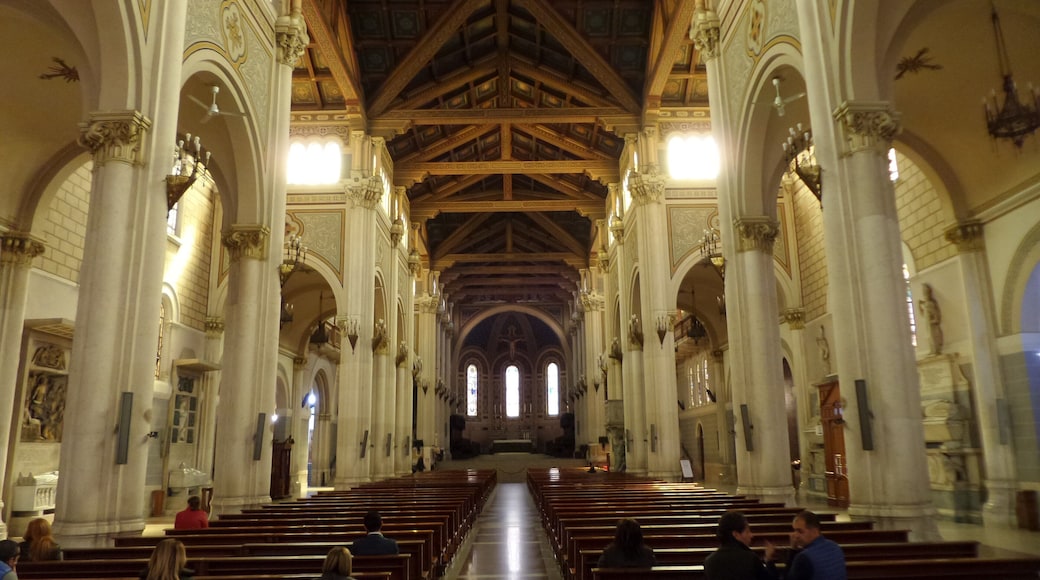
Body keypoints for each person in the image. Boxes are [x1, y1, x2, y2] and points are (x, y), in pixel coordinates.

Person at [704, 511, 777, 580]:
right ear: (735, 534)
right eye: (747, 531)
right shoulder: (750, 559)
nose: (751, 535)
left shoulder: (709, 561)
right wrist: (769, 560)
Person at [786, 510, 846, 580]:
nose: (795, 535)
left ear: (814, 531)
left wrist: (792, 551)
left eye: (800, 531)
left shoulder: (804, 557)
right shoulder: (835, 546)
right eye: (794, 530)